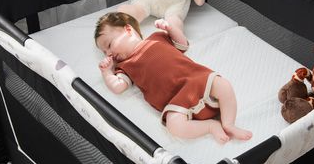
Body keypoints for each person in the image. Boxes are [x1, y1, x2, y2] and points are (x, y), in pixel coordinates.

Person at [94, 12, 252, 144]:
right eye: (104, 52)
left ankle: (228, 123)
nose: (108, 54)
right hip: (176, 100)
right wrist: (107, 72)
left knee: (223, 85)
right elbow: (118, 86)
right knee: (173, 125)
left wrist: (170, 28)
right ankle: (210, 126)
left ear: (128, 30)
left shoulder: (157, 37)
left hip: (196, 79)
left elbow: (183, 44)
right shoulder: (124, 66)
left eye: (109, 45)